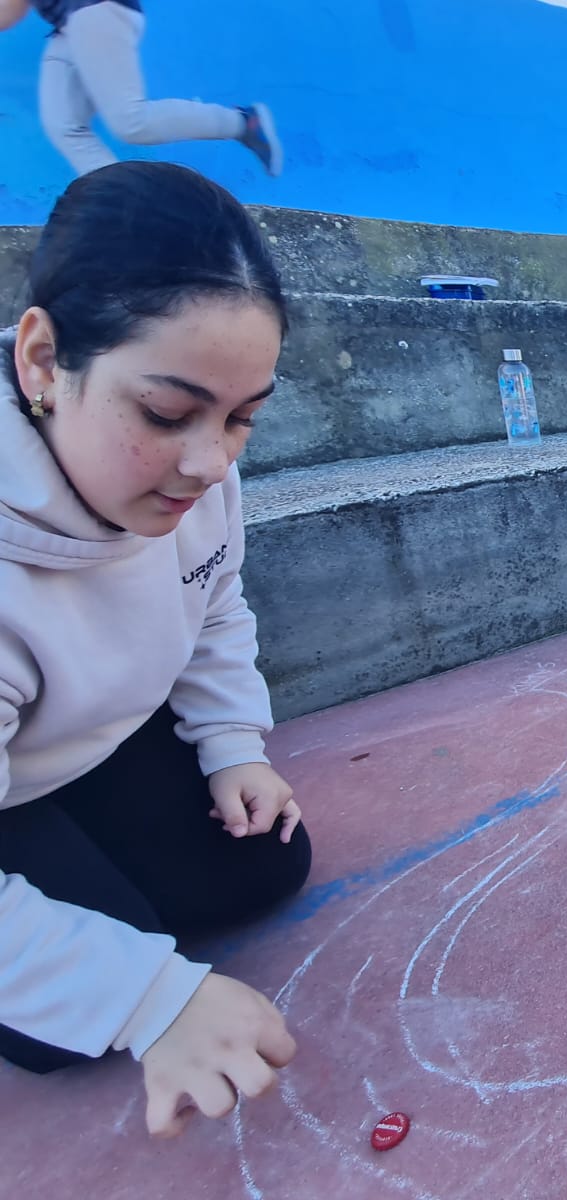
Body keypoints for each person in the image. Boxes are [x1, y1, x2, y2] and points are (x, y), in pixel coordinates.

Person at [0, 162, 310, 1136]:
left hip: (95, 739)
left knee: (266, 862)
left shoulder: (197, 479)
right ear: (42, 363)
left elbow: (214, 601)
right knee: (68, 1024)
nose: (210, 463)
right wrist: (145, 1000)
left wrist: (233, 745)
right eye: (168, 414)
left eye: (243, 418)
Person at [0, 0, 283, 177]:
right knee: (65, 125)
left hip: (95, 11)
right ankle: (117, 200)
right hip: (70, 25)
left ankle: (244, 122)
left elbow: (9, 12)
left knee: (130, 122)